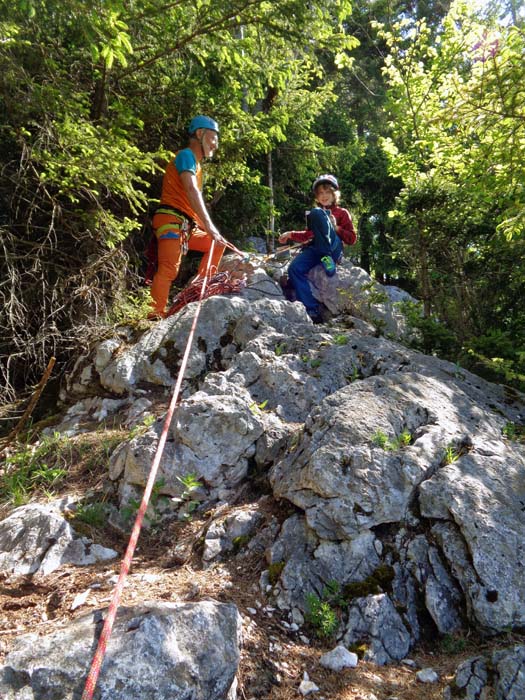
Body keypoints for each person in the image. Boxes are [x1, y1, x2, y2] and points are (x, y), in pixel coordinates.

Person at [149, 115, 227, 317]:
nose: (215, 145)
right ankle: (153, 315)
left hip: (185, 224)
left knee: (217, 244)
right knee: (168, 269)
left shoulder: (198, 166)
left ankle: (197, 290)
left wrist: (210, 231)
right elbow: (192, 191)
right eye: (213, 138)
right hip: (171, 220)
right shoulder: (186, 156)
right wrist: (210, 226)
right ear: (200, 134)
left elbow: (193, 204)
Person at [278, 174, 357, 323]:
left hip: (332, 249)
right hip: (316, 249)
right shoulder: (315, 214)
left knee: (317, 213)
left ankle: (327, 258)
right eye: (320, 193)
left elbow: (351, 239)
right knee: (294, 268)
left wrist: (336, 227)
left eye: (327, 192)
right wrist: (290, 234)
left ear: (334, 194)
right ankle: (311, 310)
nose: (324, 196)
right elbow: (309, 235)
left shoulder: (342, 213)